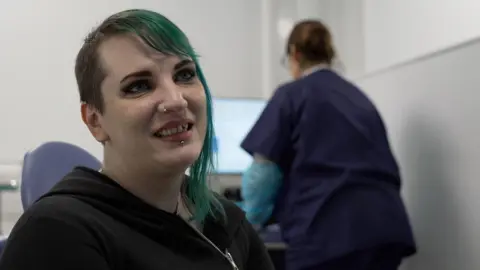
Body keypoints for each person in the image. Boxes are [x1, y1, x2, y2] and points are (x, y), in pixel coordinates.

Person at [0, 9, 274, 270]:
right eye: (139, 86)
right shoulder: (56, 236)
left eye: (185, 75)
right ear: (95, 120)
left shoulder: (223, 220)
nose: (176, 100)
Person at [240, 20, 416, 270]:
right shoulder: (359, 98)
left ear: (295, 55)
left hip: (326, 233)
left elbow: (262, 175)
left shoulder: (292, 94)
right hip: (386, 230)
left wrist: (250, 219)